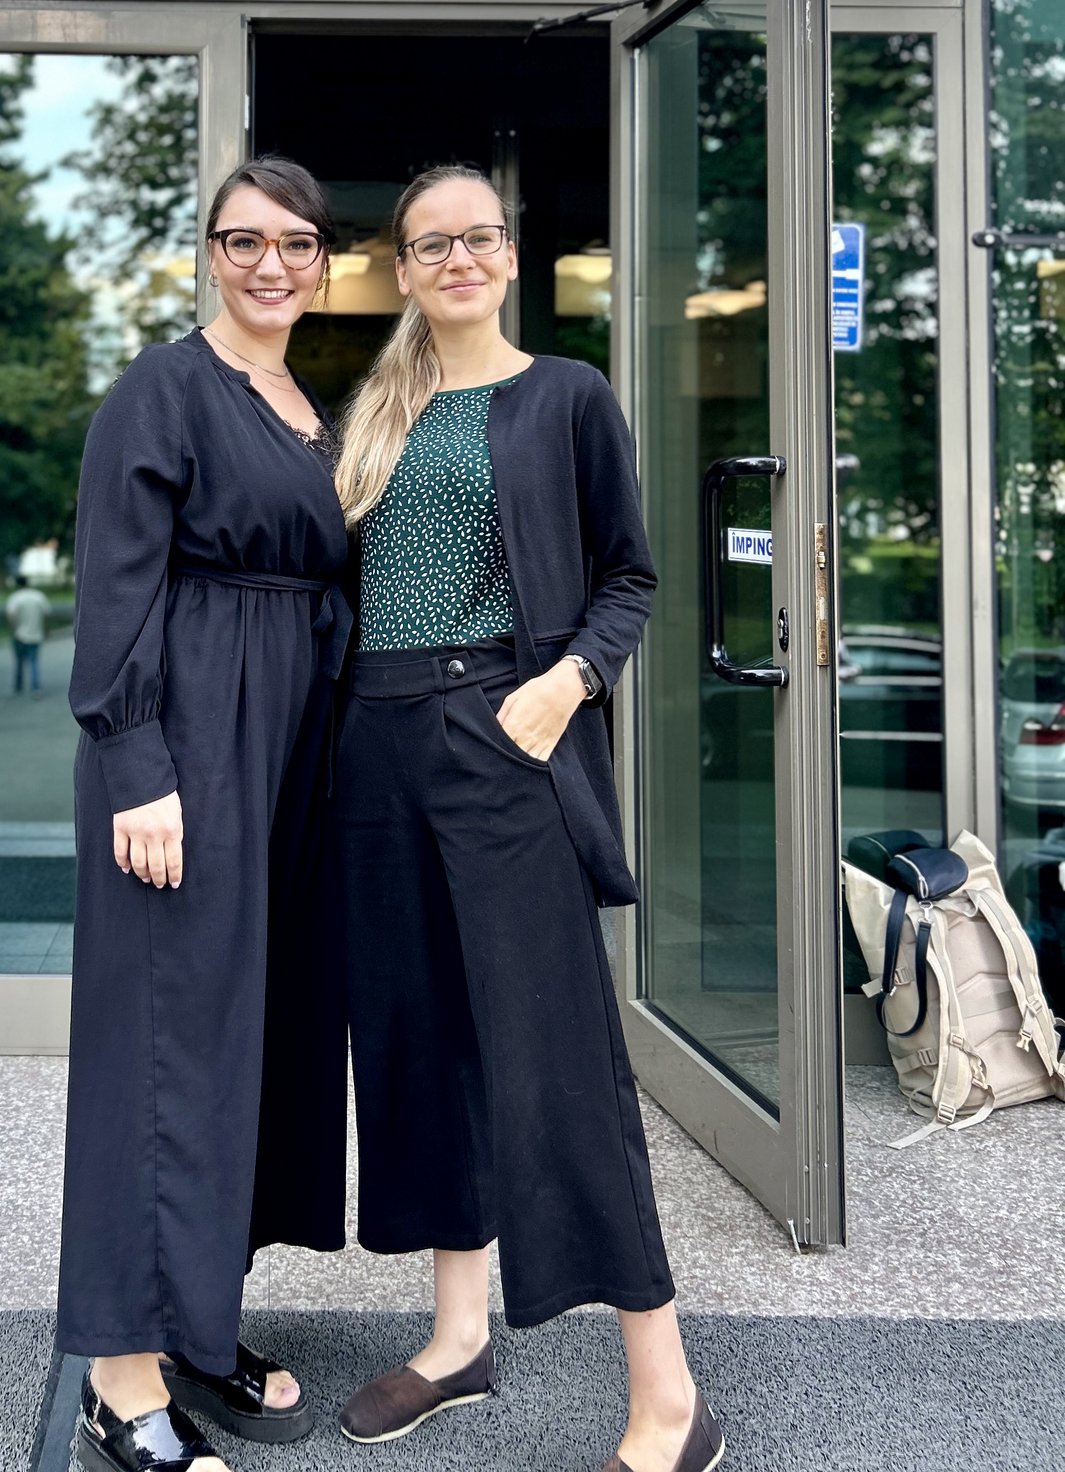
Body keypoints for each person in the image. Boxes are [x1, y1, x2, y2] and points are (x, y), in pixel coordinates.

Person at [330, 164, 724, 1472]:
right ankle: (457, 1340)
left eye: (476, 236)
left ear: (509, 253)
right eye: (428, 241)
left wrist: (564, 685)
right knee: (420, 1047)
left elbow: (633, 575)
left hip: (497, 738)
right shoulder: (379, 409)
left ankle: (669, 1396)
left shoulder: (566, 396)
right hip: (374, 755)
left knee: (558, 1065)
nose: (454, 257)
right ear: (402, 268)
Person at [59, 156, 352, 1472]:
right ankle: (121, 1380)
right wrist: (138, 765)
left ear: (325, 259)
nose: (271, 262)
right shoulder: (163, 389)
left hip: (288, 748)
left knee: (244, 1039)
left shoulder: (306, 405)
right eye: (245, 240)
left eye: (296, 241)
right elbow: (116, 587)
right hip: (188, 744)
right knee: (162, 1045)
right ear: (210, 252)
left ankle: (196, 1320)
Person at [5, 579, 50, 692]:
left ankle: (18, 686)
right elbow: (46, 614)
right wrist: (44, 629)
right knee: (34, 661)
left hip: (20, 634)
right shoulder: (39, 596)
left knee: (19, 662)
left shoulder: (15, 598)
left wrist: (13, 629)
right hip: (36, 634)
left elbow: (10, 616)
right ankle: (35, 687)